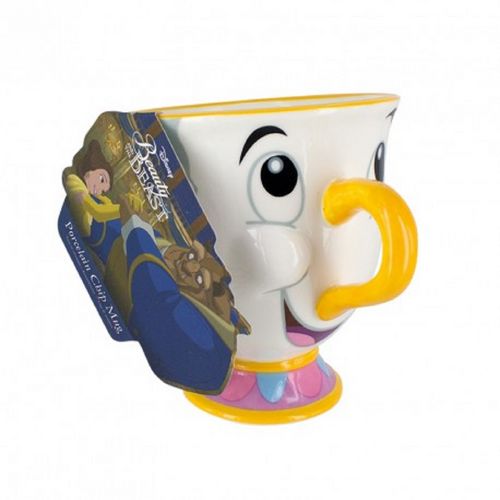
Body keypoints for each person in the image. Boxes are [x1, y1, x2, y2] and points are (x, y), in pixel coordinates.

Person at [64, 139, 121, 266]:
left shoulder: (95, 197)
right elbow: (96, 211)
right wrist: (121, 209)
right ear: (90, 169)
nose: (99, 190)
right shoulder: (74, 182)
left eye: (103, 191)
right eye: (101, 179)